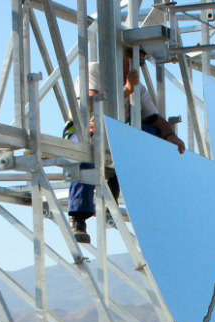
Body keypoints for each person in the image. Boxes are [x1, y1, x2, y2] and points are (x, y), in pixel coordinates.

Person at [64, 55, 185, 243]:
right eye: (125, 60)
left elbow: (153, 118)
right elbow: (91, 103)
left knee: (149, 137)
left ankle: (123, 192)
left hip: (115, 133)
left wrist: (170, 136)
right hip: (83, 129)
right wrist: (126, 91)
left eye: (132, 61)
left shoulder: (139, 88)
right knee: (87, 152)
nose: (129, 66)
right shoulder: (94, 70)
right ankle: (78, 216)